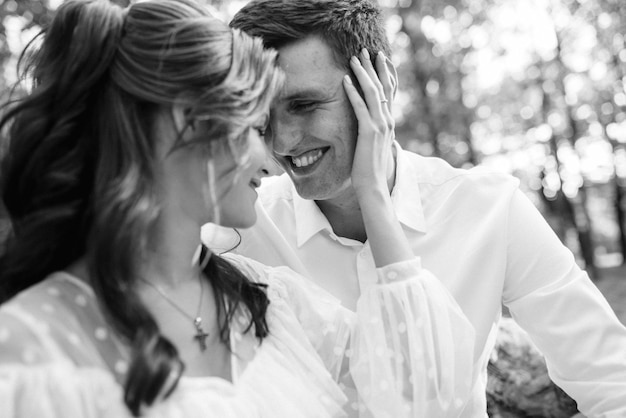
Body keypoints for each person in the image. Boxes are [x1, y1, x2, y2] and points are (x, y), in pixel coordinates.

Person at [0, 0, 476, 417]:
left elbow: (421, 402)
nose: (269, 158)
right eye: (254, 127)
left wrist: (373, 192)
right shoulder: (27, 353)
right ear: (181, 126)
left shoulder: (272, 303)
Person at [203, 0, 626, 416]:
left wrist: (373, 193)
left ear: (381, 87)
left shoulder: (489, 209)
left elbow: (612, 382)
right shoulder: (243, 233)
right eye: (263, 115)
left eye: (304, 105)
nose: (282, 142)